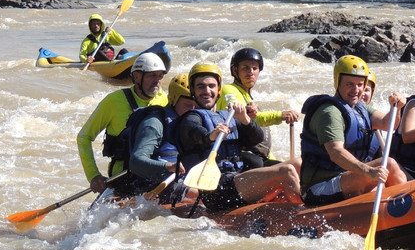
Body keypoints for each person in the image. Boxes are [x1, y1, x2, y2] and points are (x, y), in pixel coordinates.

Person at [175, 61, 299, 211]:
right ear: (193, 91)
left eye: (211, 86)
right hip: (217, 189)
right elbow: (194, 132)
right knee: (286, 171)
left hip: (238, 178)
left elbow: (256, 139)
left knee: (299, 163)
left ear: (219, 90)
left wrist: (245, 119)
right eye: (201, 86)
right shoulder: (191, 118)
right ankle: (302, 212)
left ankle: (308, 200)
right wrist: (211, 136)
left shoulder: (227, 116)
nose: (207, 91)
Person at [299, 55, 408, 206]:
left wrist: (397, 108)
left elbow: (387, 123)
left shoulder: (359, 107)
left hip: (347, 178)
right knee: (388, 164)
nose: (356, 90)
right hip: (319, 188)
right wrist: (367, 171)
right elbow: (336, 153)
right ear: (338, 82)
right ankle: (403, 208)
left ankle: (404, 207)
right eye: (349, 84)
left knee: (390, 167)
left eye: (359, 84)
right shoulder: (329, 112)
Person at [76, 52, 168, 194]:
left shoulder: (164, 100)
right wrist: (93, 176)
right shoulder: (113, 101)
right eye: (151, 75)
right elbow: (84, 137)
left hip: (155, 178)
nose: (157, 81)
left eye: (160, 76)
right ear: (136, 76)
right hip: (122, 180)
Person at [218, 46, 300, 167]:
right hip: (239, 154)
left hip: (258, 155)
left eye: (254, 68)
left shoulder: (247, 96)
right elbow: (245, 117)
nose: (251, 72)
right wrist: (280, 115)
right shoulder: (229, 90)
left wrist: (273, 160)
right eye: (245, 68)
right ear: (235, 70)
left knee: (294, 167)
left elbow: (260, 140)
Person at [121, 72, 195, 203]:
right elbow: (136, 161)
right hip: (150, 185)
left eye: (196, 106)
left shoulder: (197, 121)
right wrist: (168, 167)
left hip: (181, 181)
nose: (193, 111)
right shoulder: (154, 123)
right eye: (188, 105)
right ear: (173, 99)